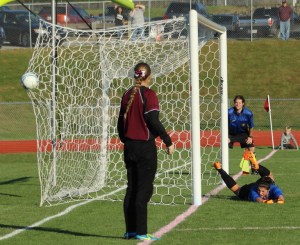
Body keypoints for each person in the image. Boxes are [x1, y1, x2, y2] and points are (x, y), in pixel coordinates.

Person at [117, 62, 174, 241]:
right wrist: (167, 140)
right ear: (149, 76)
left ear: (135, 76)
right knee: (144, 189)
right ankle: (141, 232)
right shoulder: (149, 94)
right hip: (144, 147)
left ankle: (130, 231)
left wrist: (125, 139)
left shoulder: (127, 94)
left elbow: (120, 122)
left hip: (129, 146)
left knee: (131, 188)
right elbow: (153, 120)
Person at [213, 160, 284, 204]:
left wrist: (280, 199)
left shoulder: (274, 188)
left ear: (269, 190)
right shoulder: (253, 191)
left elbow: (281, 198)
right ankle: (219, 169)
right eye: (259, 190)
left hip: (261, 185)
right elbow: (259, 200)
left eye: (263, 191)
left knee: (270, 177)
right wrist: (266, 201)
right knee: (236, 189)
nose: (260, 192)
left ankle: (258, 167)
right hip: (247, 190)